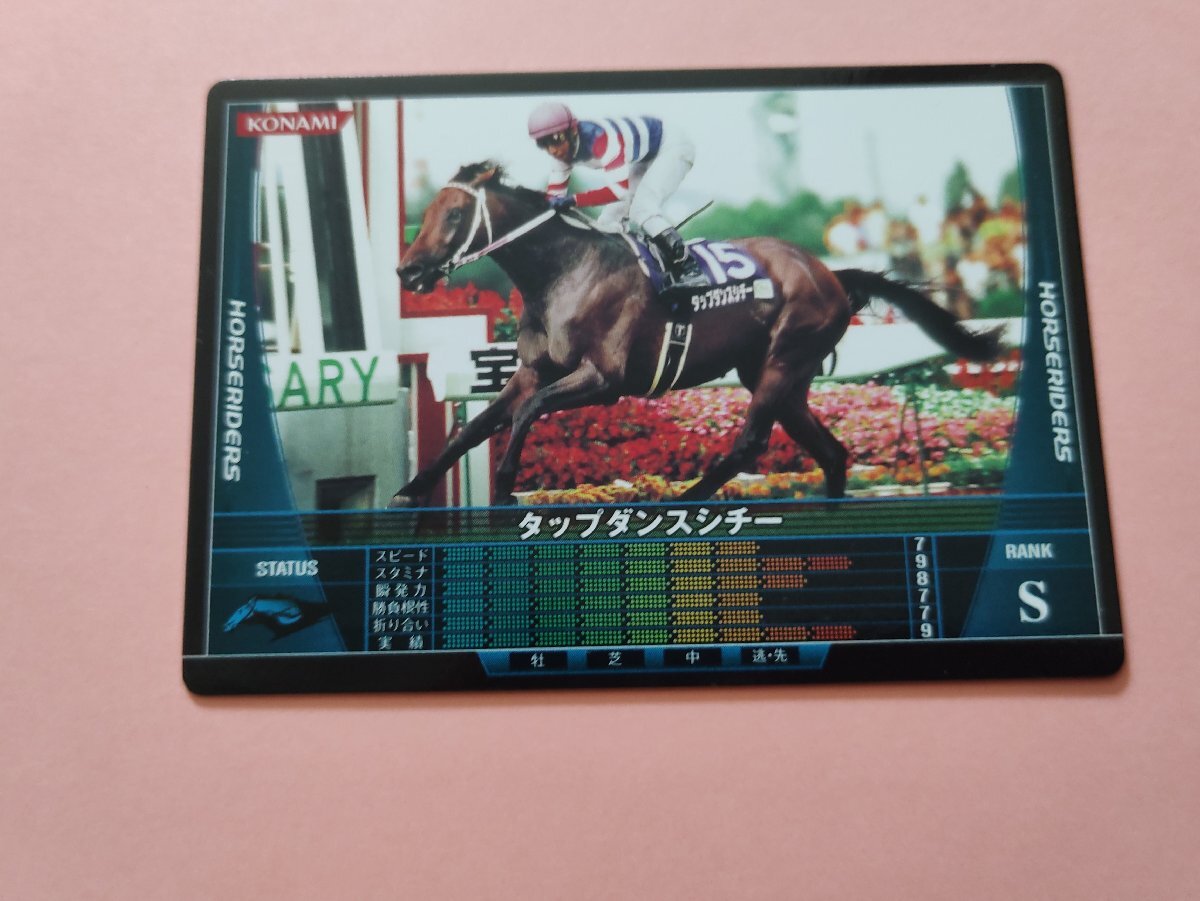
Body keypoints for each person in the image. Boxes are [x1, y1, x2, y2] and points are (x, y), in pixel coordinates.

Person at [527, 101, 706, 288]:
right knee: (607, 222)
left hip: (672, 146)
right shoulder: (561, 154)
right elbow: (553, 202)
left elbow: (618, 192)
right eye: (543, 143)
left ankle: (690, 269)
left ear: (572, 132)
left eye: (556, 139)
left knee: (642, 209)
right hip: (643, 157)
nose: (552, 150)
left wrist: (573, 200)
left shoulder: (602, 139)